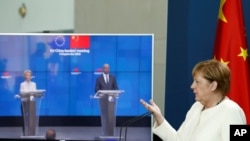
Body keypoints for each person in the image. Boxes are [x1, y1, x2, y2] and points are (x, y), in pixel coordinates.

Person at [140, 59, 246, 141]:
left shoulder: (232, 111)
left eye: (197, 82)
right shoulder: (196, 107)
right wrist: (159, 118)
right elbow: (178, 140)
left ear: (213, 86)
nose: (192, 86)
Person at [95, 63, 119, 136]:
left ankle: (111, 134)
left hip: (111, 101)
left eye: (108, 68)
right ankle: (104, 133)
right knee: (104, 118)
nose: (107, 69)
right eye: (105, 68)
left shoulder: (113, 77)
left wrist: (114, 94)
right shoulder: (99, 78)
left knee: (111, 118)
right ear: (103, 69)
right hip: (103, 102)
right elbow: (96, 89)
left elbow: (116, 88)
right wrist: (102, 94)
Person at [19, 69, 37, 136]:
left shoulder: (34, 84)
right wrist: (29, 93)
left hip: (31, 103)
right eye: (27, 75)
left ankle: (32, 133)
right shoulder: (22, 84)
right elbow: (22, 92)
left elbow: (34, 93)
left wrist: (29, 94)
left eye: (30, 75)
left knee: (31, 118)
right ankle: (24, 133)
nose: (28, 76)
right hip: (24, 102)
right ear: (25, 76)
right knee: (24, 119)